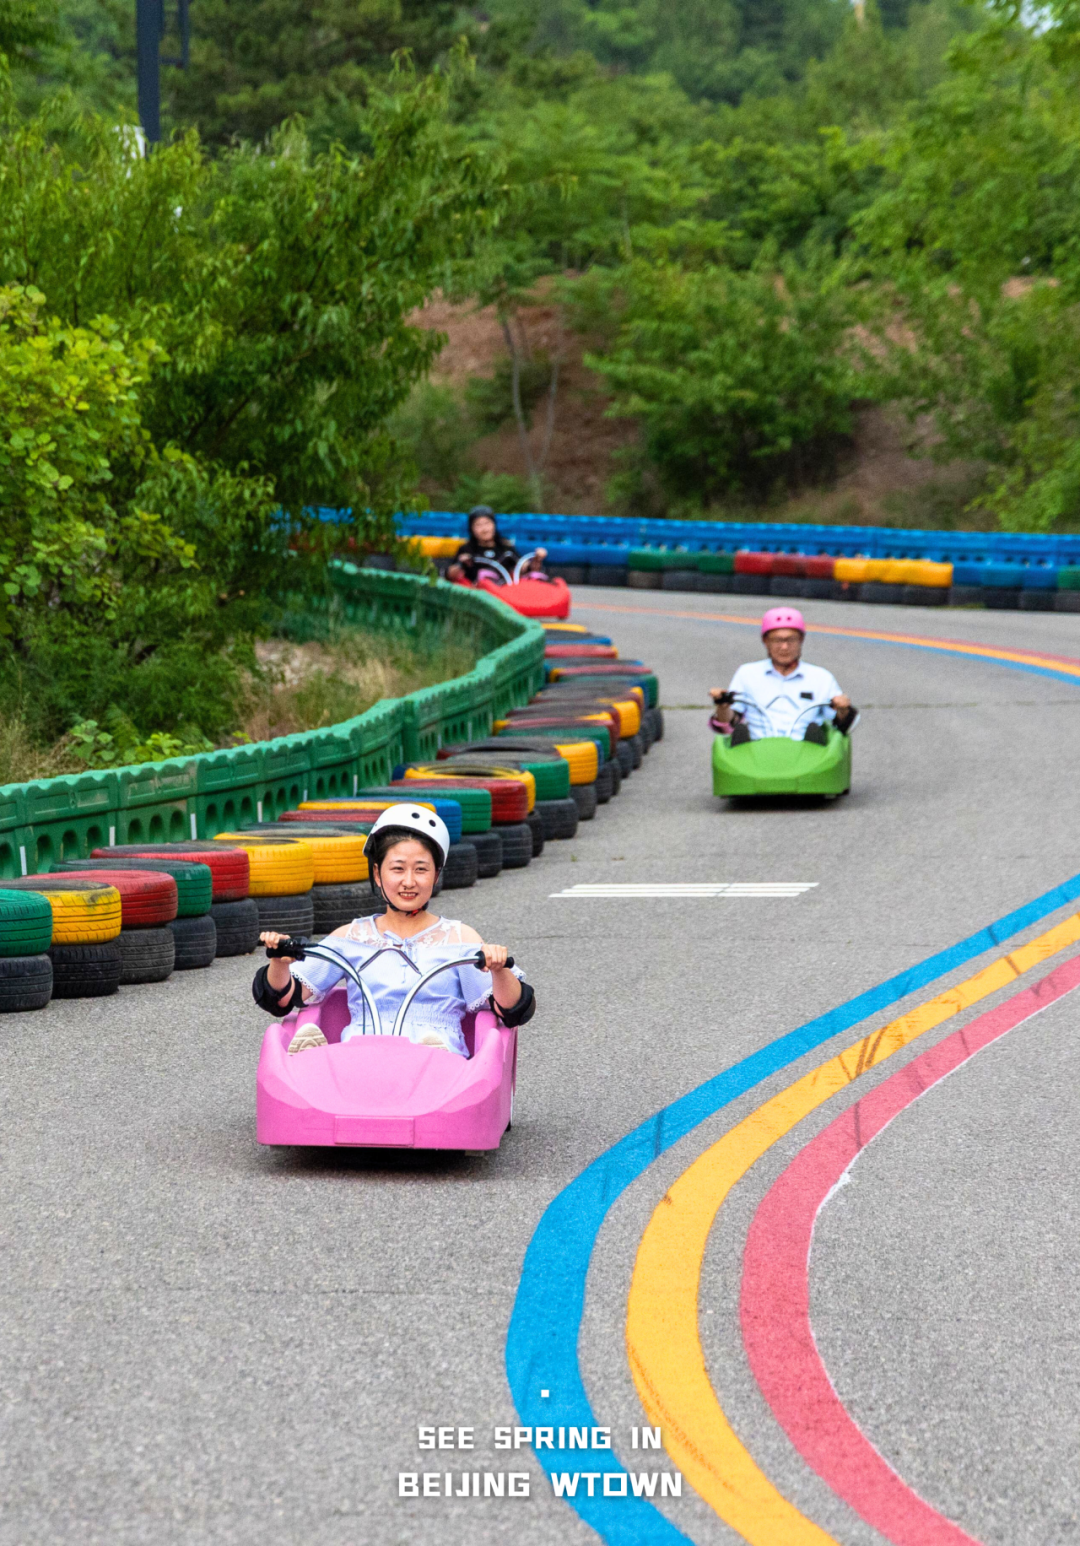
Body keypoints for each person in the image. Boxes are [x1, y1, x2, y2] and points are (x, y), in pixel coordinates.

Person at [252, 804, 535, 1056]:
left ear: (436, 874)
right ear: (377, 874)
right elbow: (283, 1000)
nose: (409, 881)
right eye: (398, 869)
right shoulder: (350, 938)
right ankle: (316, 1061)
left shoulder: (461, 940)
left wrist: (499, 969)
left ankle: (430, 1058)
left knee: (432, 1055)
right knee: (335, 1051)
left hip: (438, 1057)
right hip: (361, 1053)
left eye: (421, 870)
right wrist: (279, 962)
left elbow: (512, 1010)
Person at [709, 607, 855, 743]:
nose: (784, 647)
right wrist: (722, 706)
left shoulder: (821, 678)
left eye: (791, 640)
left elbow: (843, 725)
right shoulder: (747, 673)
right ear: (765, 641)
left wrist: (843, 709)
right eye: (777, 640)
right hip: (757, 750)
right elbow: (728, 724)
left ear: (801, 640)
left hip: (807, 753)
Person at [446, 506, 547, 584]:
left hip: (502, 591)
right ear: (472, 529)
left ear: (494, 525)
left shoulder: (505, 548)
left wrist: (537, 559)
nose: (484, 529)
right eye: (478, 525)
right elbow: (449, 574)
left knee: (532, 578)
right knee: (483, 577)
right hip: (478, 592)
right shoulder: (466, 550)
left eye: (487, 523)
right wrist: (461, 564)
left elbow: (524, 567)